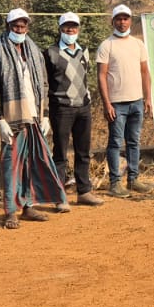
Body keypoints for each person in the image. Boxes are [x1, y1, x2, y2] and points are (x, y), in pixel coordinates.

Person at [0, 8, 67, 228]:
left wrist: (45, 114)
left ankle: (28, 205)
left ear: (27, 27)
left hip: (33, 115)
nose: (19, 29)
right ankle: (10, 211)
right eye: (15, 25)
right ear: (8, 26)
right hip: (12, 117)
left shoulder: (33, 50)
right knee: (11, 165)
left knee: (31, 163)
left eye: (23, 25)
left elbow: (44, 83)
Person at [46, 12, 105, 206]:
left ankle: (84, 192)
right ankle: (59, 196)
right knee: (60, 154)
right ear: (60, 29)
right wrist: (45, 111)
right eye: (67, 27)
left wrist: (87, 100)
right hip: (61, 108)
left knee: (83, 151)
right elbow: (46, 83)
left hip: (83, 107)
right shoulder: (51, 52)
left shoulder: (84, 51)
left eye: (74, 27)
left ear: (78, 29)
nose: (70, 30)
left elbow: (84, 78)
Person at [97, 4, 153, 197]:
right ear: (113, 21)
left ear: (130, 20)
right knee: (115, 143)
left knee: (134, 142)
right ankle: (115, 183)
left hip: (136, 101)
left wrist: (148, 97)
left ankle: (133, 179)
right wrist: (106, 103)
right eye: (119, 19)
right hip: (116, 104)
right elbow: (101, 75)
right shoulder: (107, 45)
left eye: (125, 18)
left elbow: (145, 72)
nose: (122, 22)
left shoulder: (138, 44)